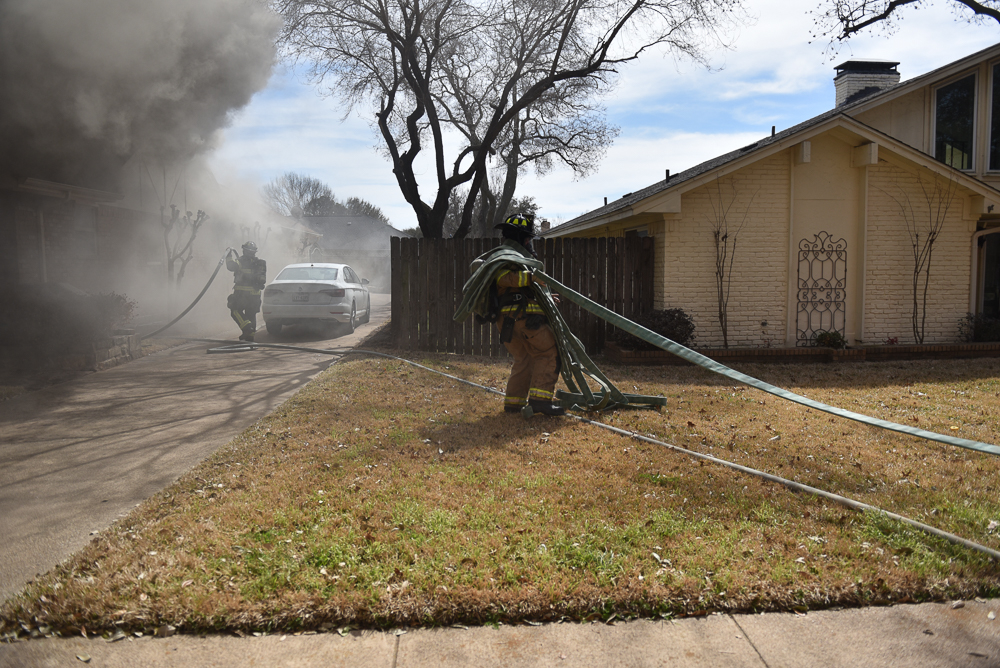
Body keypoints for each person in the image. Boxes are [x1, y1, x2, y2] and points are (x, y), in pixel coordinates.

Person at [489, 214, 566, 416]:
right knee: (548, 353)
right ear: (522, 238)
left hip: (507, 322)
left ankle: (513, 404)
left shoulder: (514, 258)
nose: (530, 242)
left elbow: (523, 289)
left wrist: (548, 297)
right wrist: (531, 276)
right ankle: (540, 401)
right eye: (528, 238)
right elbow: (504, 279)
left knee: (524, 359)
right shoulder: (506, 256)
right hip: (524, 319)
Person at [226, 241, 266, 342]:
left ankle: (247, 328)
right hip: (255, 295)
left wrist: (228, 256)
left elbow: (231, 266)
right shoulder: (261, 263)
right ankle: (250, 337)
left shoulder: (241, 261)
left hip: (242, 293)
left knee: (235, 311)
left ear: (244, 250)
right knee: (251, 314)